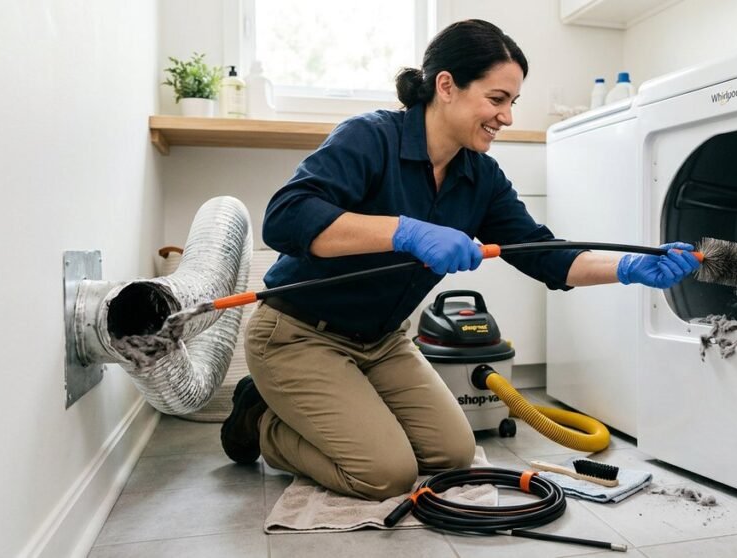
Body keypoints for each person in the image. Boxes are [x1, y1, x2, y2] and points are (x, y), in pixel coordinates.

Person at [220, 19, 700, 500]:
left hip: (382, 342)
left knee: (452, 454)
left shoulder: (481, 178)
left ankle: (341, 412)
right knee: (385, 474)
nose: (507, 117)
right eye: (497, 99)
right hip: (299, 334)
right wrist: (404, 231)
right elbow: (284, 219)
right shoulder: (370, 138)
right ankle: (260, 418)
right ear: (446, 85)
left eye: (512, 102)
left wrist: (629, 269)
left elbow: (545, 256)